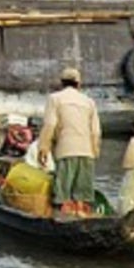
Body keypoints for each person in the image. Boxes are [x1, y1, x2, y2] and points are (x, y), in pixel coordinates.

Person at [37, 65, 101, 218]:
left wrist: (43, 148)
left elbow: (50, 125)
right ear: (79, 84)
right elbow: (96, 131)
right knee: (83, 195)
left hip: (66, 150)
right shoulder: (89, 101)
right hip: (87, 152)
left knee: (63, 195)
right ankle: (82, 215)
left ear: (61, 83)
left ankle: (63, 217)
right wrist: (94, 150)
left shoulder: (55, 99)